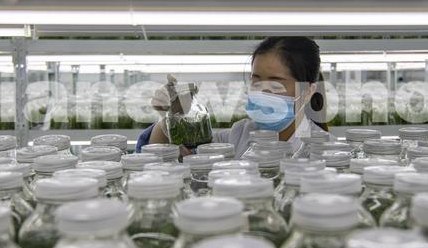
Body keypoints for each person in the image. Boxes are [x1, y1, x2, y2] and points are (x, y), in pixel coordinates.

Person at [137, 36, 330, 157]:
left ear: (307, 91)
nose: (262, 93)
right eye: (256, 81)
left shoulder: (326, 150)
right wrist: (170, 119)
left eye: (275, 84)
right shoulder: (238, 134)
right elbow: (164, 159)